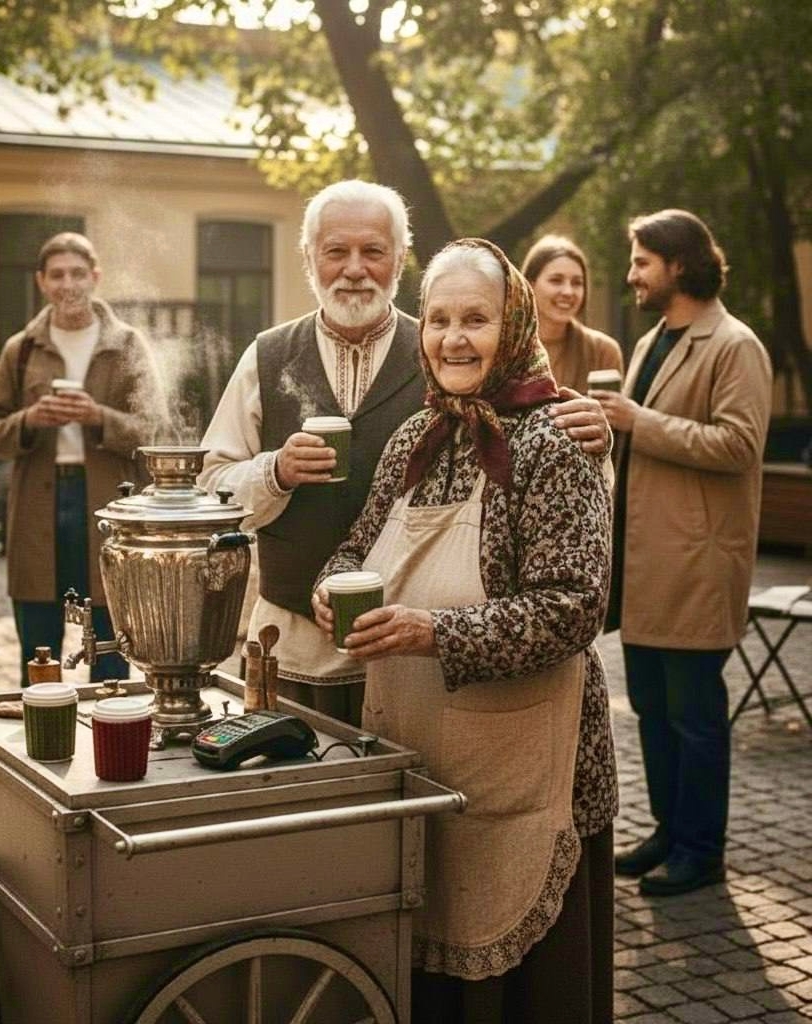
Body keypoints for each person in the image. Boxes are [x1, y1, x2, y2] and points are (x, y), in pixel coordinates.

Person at [313, 238, 617, 1023]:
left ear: (512, 324)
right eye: (440, 318)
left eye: (475, 319)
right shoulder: (416, 438)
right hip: (422, 756)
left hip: (528, 767)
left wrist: (432, 633)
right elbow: (357, 544)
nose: (453, 337)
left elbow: (576, 606)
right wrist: (327, 589)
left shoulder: (557, 441)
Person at [199, 180, 608, 727]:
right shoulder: (270, 356)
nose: (354, 269)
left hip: (424, 671)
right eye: (335, 252)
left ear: (399, 260)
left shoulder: (444, 350)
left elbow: (543, 436)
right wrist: (275, 471)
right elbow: (210, 489)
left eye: (373, 251)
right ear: (309, 259)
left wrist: (594, 437)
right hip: (294, 644)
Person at [595, 209, 772, 897]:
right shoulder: (650, 342)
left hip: (696, 562)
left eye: (641, 261)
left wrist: (639, 421)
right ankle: (669, 832)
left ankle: (702, 850)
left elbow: (739, 445)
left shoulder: (736, 345)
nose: (631, 274)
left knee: (695, 714)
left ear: (679, 264)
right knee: (651, 705)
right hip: (641, 561)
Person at [0, 233, 168, 685]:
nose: (69, 284)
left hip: (106, 505)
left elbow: (154, 428)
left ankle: (109, 741)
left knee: (109, 647)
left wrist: (96, 416)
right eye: (58, 275)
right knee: (39, 648)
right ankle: (44, 741)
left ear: (95, 277)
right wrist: (30, 419)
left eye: (78, 274)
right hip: (37, 509)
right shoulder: (20, 348)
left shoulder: (125, 344)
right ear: (42, 282)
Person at [521, 234, 624, 394]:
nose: (568, 292)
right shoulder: (503, 348)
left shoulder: (602, 351)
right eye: (556, 280)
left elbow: (611, 417)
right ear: (530, 285)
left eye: (577, 283)